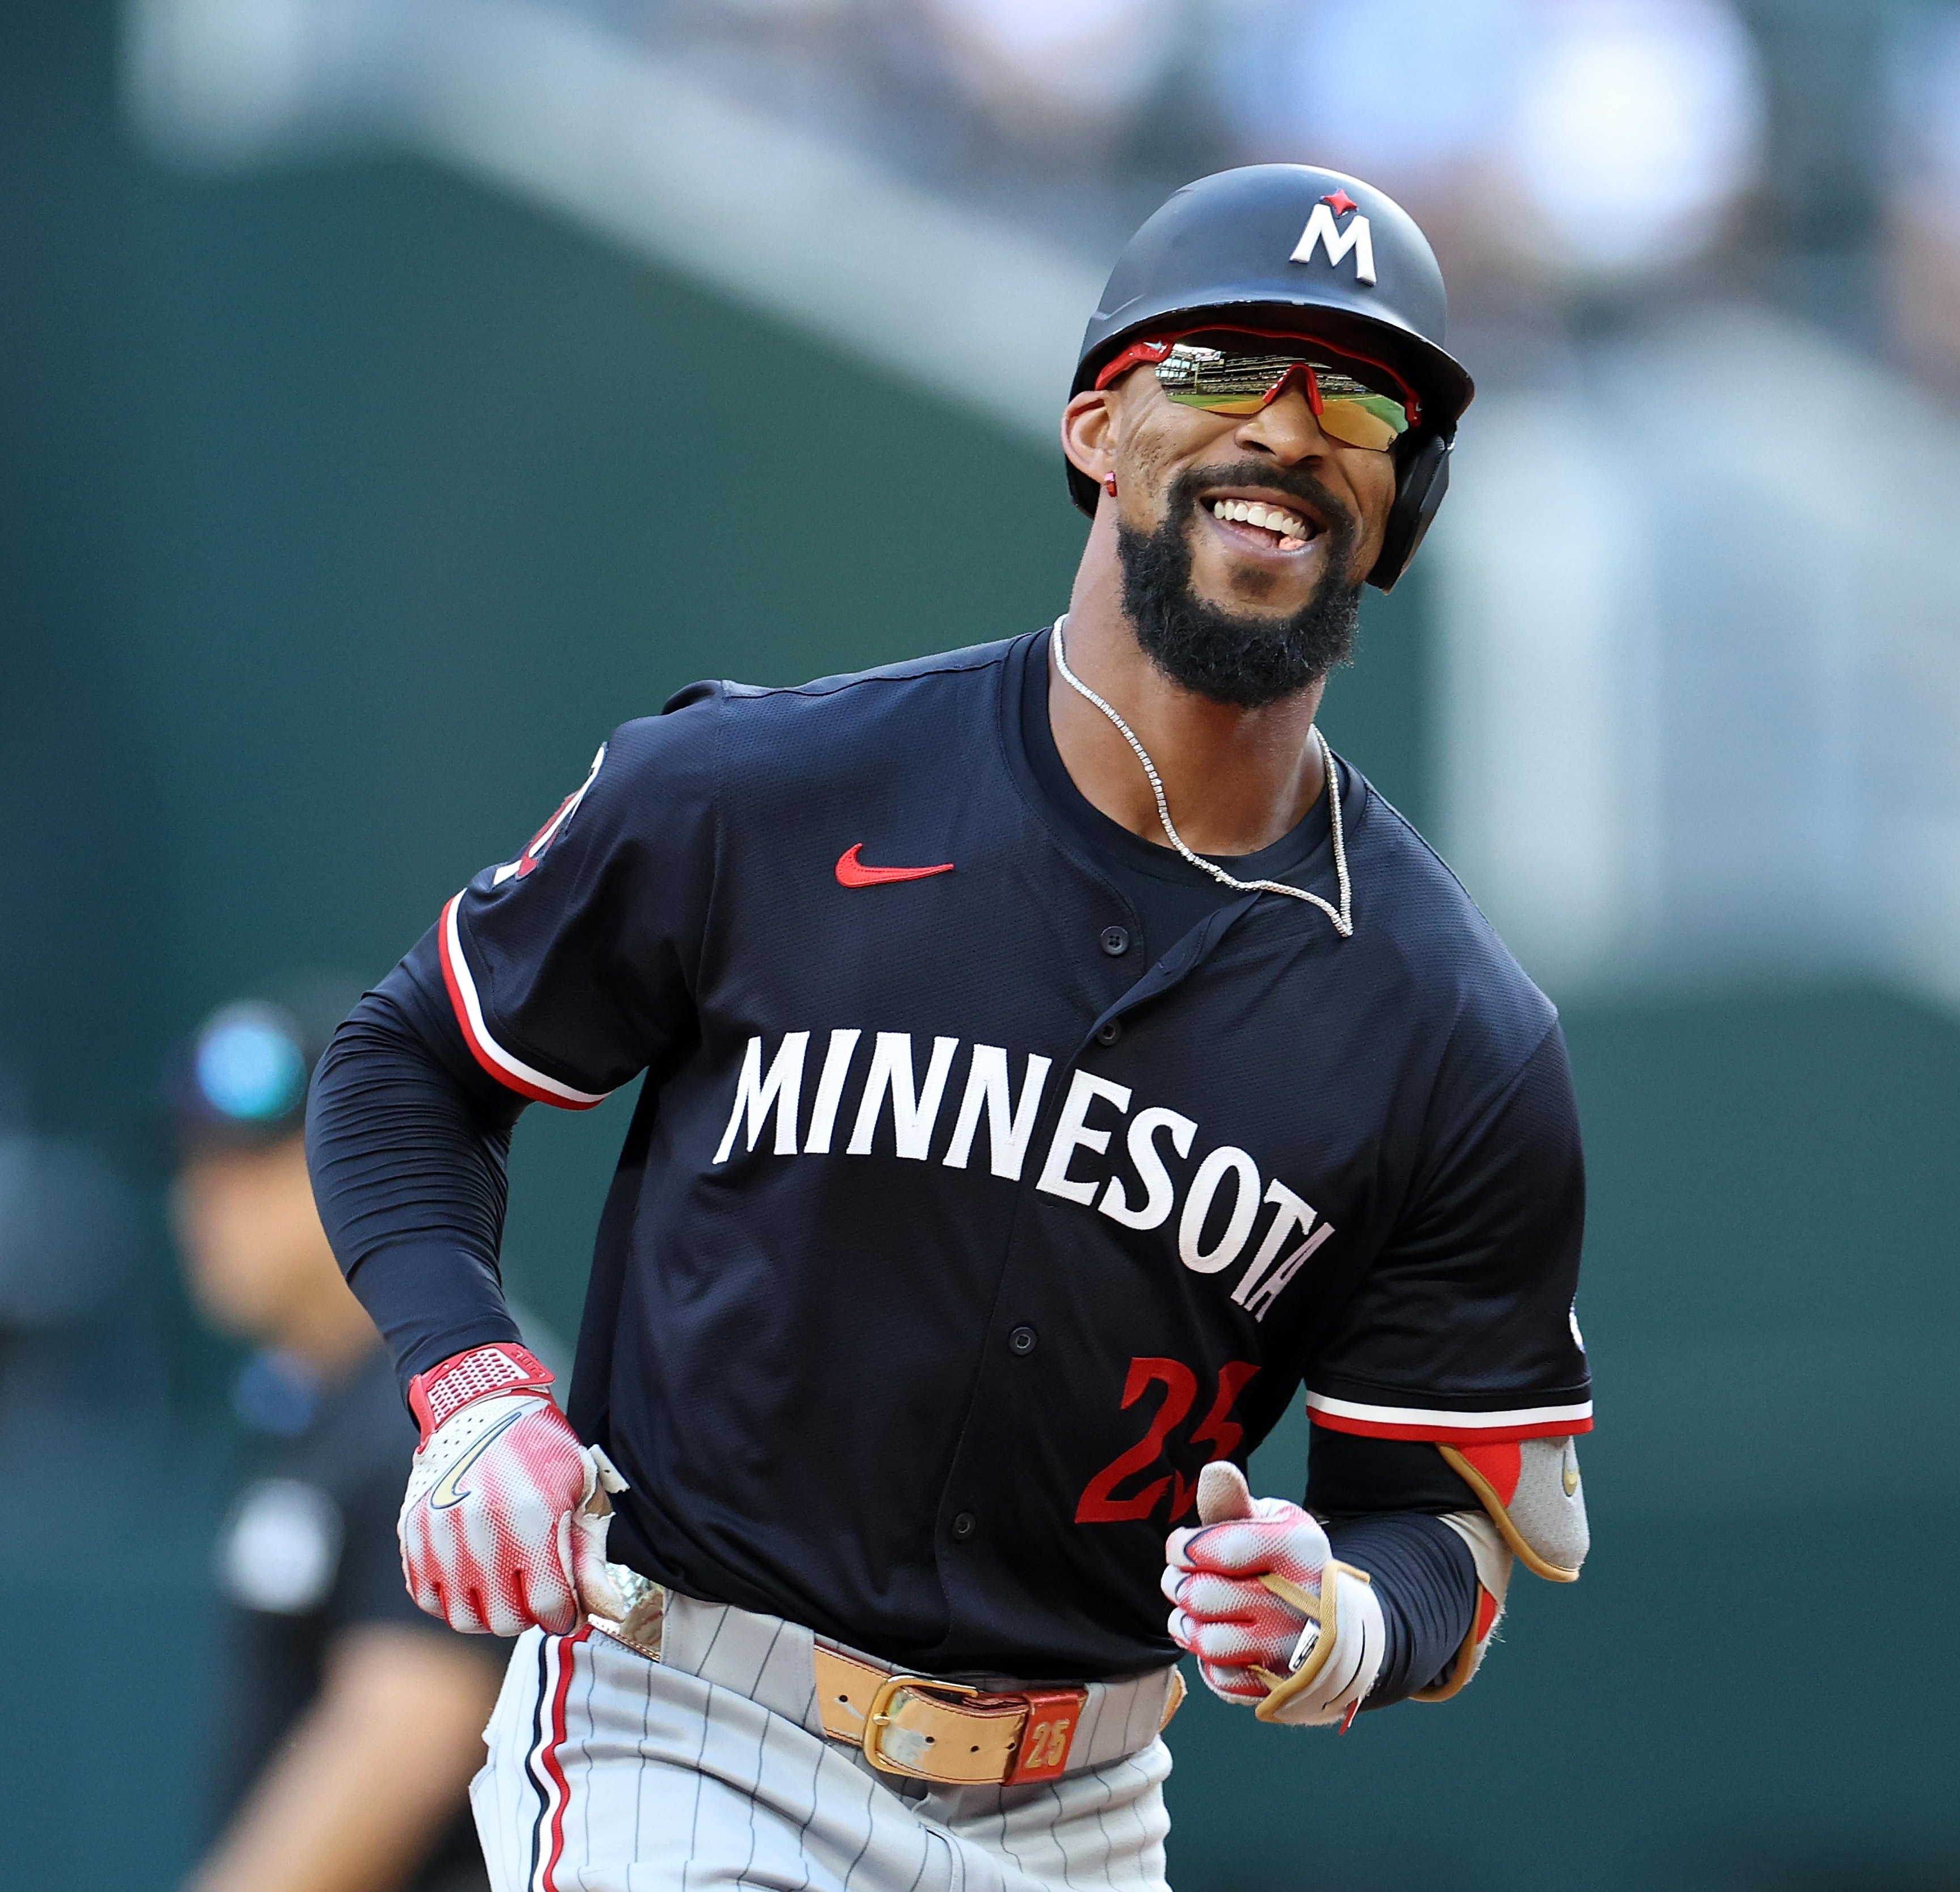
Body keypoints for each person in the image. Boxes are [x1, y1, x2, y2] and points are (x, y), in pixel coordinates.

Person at [305, 164, 1592, 1892]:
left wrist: (1345, 1617)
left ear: (1403, 500)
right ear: (1097, 427)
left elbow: (1442, 1523)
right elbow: (409, 1061)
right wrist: (468, 1384)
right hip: (691, 1719)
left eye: (1353, 394)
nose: (1286, 426)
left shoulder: (1456, 1029)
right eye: (1222, 367)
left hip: (1082, 1804)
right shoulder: (760, 791)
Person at [171, 997, 509, 1892]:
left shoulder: (457, 1403)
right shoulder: (307, 1406)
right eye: (199, 1166)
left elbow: (408, 1735)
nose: (206, 1202)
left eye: (259, 1166)